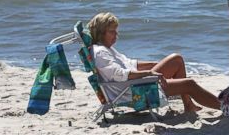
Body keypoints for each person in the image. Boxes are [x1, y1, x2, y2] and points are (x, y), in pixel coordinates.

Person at [87, 12, 221, 113]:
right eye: (112, 32)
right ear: (100, 32)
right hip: (134, 91)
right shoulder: (101, 53)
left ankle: (188, 105)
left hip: (133, 84)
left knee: (176, 60)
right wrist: (149, 73)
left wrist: (154, 65)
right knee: (189, 84)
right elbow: (120, 74)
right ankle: (226, 108)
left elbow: (130, 63)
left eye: (116, 31)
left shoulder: (106, 49)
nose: (116, 35)